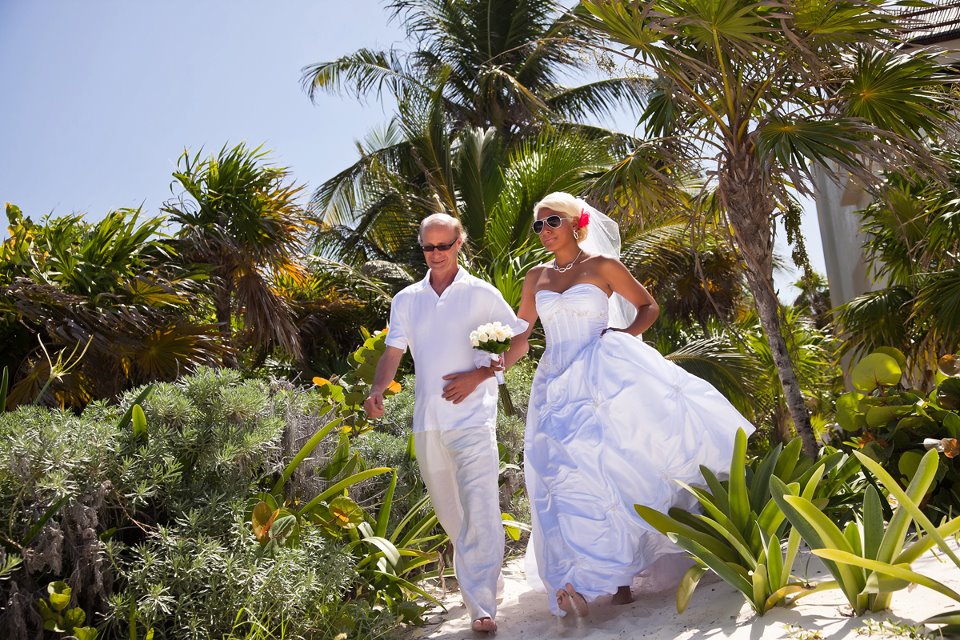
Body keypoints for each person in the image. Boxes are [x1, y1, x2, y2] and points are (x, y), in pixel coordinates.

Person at [506, 192, 755, 618]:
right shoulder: (536, 277)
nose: (545, 231)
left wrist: (624, 333)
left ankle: (612, 580)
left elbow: (648, 306)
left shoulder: (603, 266)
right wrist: (489, 365)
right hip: (555, 383)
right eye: (539, 225)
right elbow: (522, 334)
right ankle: (588, 578)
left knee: (612, 471)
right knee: (568, 479)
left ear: (574, 223)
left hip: (603, 375)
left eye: (552, 222)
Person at [363, 213, 527, 634]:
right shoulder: (406, 299)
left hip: (474, 417)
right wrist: (380, 387)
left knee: (480, 505)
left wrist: (481, 375)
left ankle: (481, 605)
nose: (435, 254)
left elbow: (520, 339)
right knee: (450, 512)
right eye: (428, 247)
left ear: (459, 244)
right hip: (427, 420)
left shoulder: (482, 293)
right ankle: (487, 575)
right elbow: (393, 352)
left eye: (443, 246)